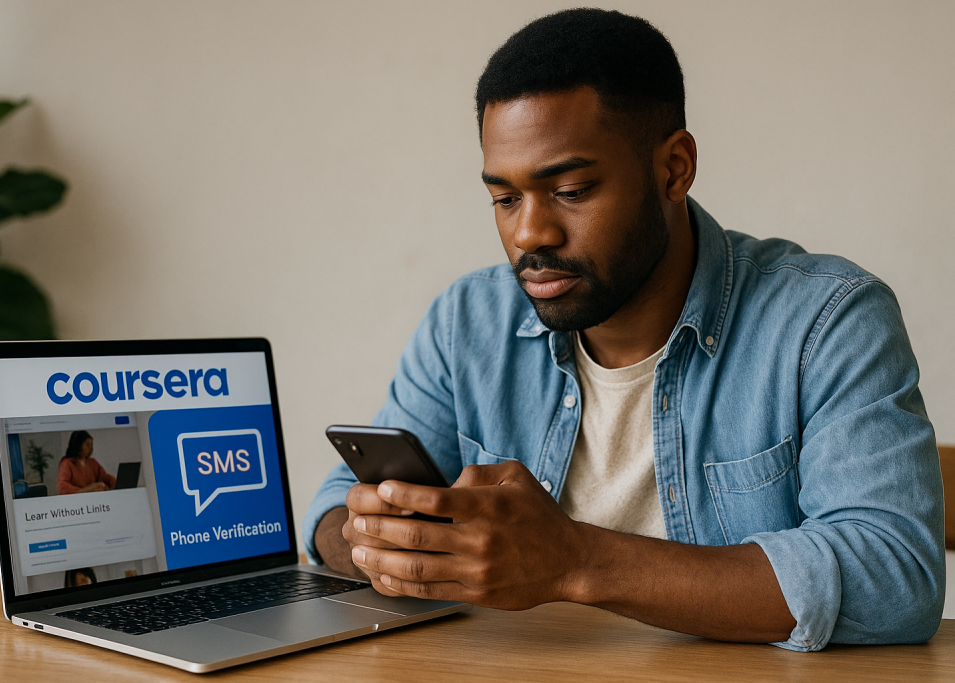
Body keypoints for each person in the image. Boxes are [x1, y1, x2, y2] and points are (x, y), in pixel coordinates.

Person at [302, 8, 944, 652]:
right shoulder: (466, 324)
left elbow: (895, 578)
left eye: (572, 190)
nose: (530, 234)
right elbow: (335, 508)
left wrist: (576, 561)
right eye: (505, 198)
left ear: (674, 168)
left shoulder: (827, 322)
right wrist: (383, 541)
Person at [57, 430, 116, 495]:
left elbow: (105, 477)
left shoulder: (92, 462)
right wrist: (85, 490)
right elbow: (62, 487)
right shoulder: (67, 463)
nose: (91, 448)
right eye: (88, 445)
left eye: (91, 445)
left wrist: (116, 483)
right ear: (78, 445)